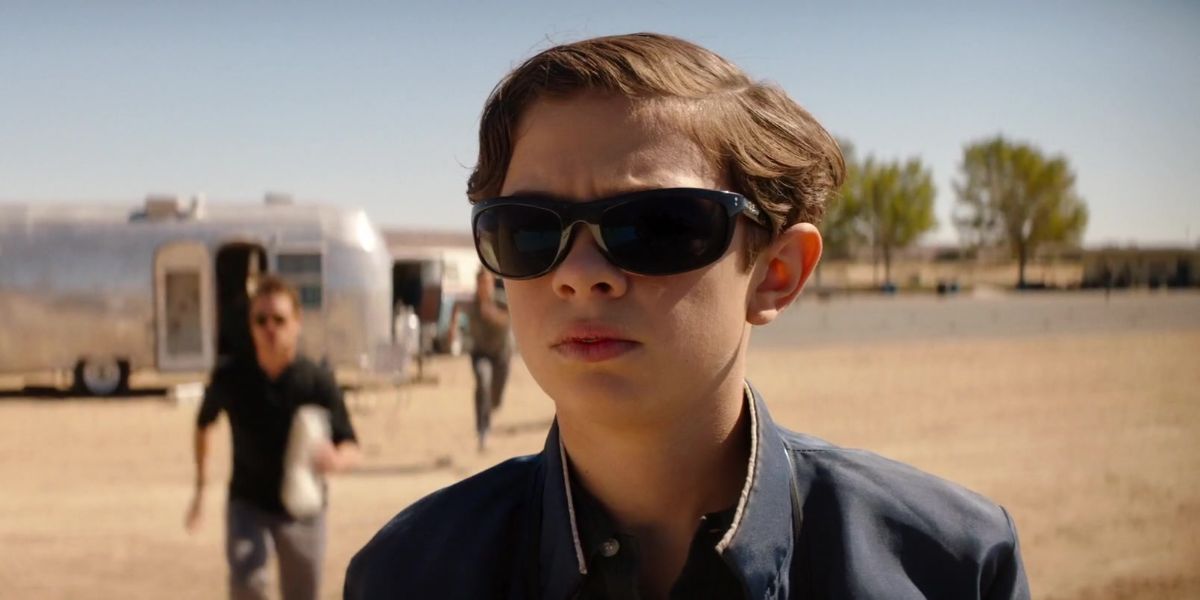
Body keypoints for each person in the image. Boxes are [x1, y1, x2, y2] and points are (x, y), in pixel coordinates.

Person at [346, 33, 1029, 599]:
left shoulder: (950, 568)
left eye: (657, 226)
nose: (580, 274)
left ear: (776, 273)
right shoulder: (409, 573)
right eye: (528, 230)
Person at [185, 275, 359, 600]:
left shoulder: (316, 381)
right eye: (260, 320)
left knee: (302, 594)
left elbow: (351, 445)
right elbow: (204, 423)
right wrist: (200, 488)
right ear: (250, 326)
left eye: (279, 319)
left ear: (297, 323)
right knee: (247, 585)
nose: (269, 328)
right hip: (247, 503)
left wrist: (336, 459)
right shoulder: (233, 376)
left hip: (303, 508)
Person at [448, 268, 512, 451]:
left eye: (487, 283)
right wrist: (453, 328)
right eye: (481, 283)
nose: (484, 287)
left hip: (501, 355)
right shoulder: (471, 302)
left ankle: (490, 407)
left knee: (495, 399)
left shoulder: (501, 300)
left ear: (492, 283)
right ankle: (482, 430)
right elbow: (456, 305)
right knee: (483, 382)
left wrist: (494, 315)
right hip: (480, 353)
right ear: (477, 284)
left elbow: (511, 319)